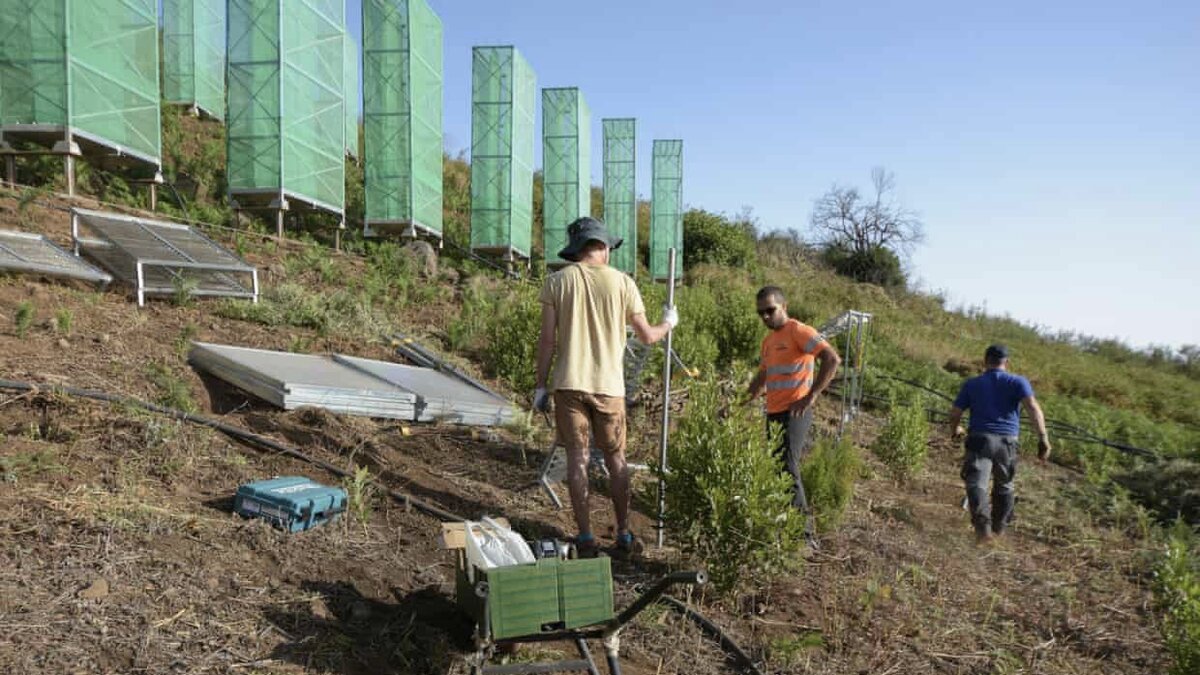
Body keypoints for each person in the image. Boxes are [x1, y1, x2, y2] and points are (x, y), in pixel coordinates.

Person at [534, 216, 677, 558]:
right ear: (603, 247)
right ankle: (624, 534)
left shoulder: (557, 281)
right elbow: (647, 336)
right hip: (610, 388)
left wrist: (540, 385)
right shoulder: (623, 284)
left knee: (578, 459)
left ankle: (584, 537)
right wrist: (669, 322)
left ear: (577, 249)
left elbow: (548, 340)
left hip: (569, 384)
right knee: (616, 460)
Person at [746, 286, 841, 545]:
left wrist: (811, 396)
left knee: (788, 468)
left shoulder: (799, 331)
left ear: (783, 307)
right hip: (774, 413)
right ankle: (784, 528)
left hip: (794, 412)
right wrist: (736, 404)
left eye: (770, 310)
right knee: (778, 469)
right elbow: (761, 379)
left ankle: (805, 536)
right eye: (760, 313)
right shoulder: (768, 342)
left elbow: (831, 359)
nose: (765, 317)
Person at [946, 344, 1051, 544]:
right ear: (1006, 363)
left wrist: (955, 430)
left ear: (985, 361)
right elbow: (1033, 408)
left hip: (980, 440)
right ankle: (999, 528)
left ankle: (983, 530)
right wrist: (1043, 438)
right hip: (1008, 442)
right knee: (1005, 485)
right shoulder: (1018, 382)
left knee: (977, 484)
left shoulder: (972, 384)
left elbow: (955, 413)